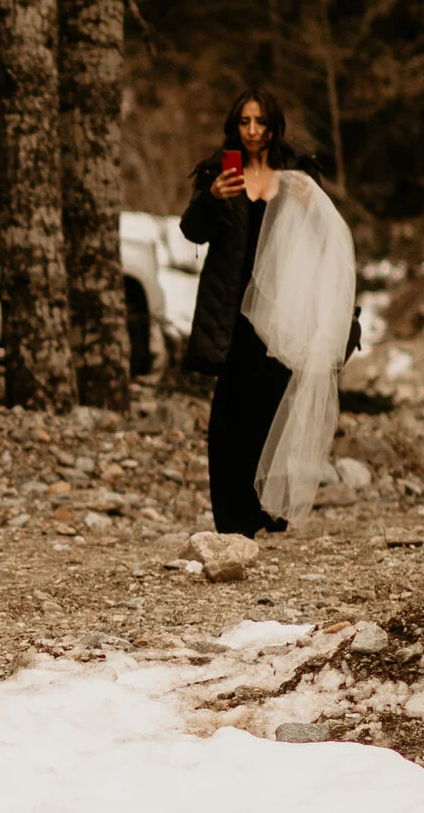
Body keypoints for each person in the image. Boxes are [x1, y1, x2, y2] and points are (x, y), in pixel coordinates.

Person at [179, 88, 358, 537]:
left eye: (260, 122)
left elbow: (329, 243)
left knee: (272, 411)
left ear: (274, 126)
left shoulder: (297, 177)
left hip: (285, 312)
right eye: (244, 122)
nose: (253, 131)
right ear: (234, 125)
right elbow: (191, 231)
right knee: (228, 418)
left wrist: (307, 209)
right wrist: (212, 198)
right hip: (232, 312)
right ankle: (232, 520)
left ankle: (267, 513)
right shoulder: (220, 172)